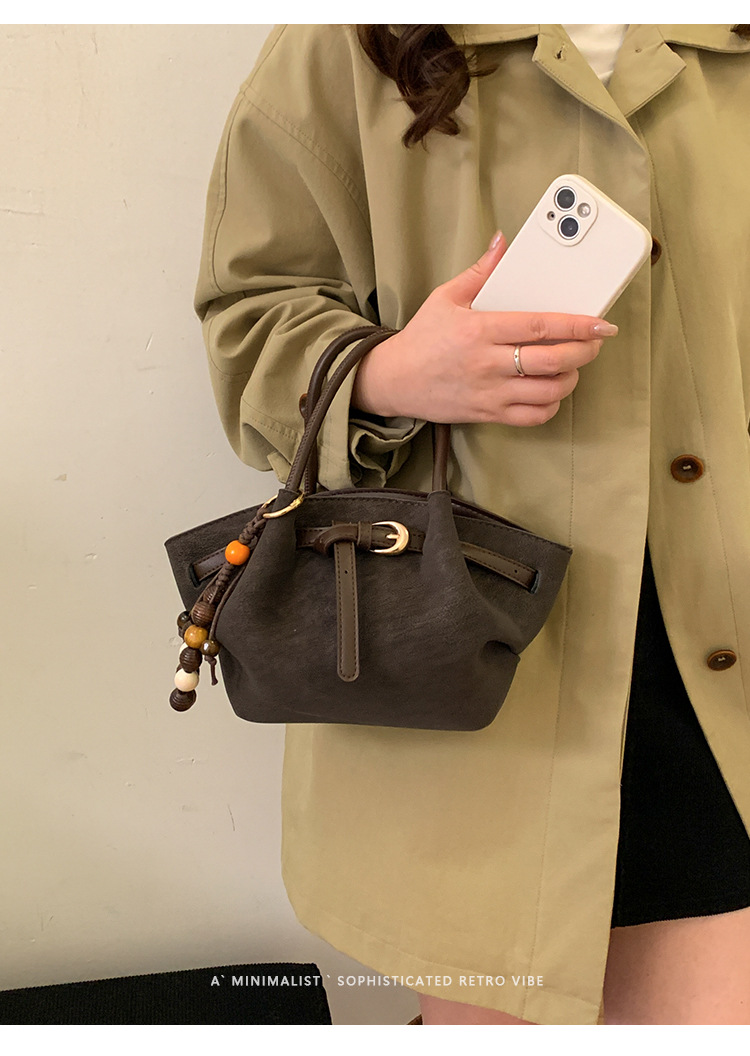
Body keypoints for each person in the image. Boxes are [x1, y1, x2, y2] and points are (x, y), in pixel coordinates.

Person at [194, 24, 750, 1025]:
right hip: (470, 647)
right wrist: (392, 374)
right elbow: (249, 311)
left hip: (721, 643)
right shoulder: (352, 37)